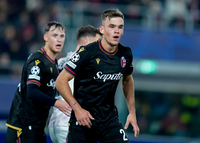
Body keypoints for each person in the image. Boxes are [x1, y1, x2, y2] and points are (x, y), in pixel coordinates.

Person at [56, 9, 140, 143]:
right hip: (83, 121)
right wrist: (77, 110)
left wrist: (132, 112)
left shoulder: (126, 54)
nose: (116, 31)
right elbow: (60, 81)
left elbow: (127, 80)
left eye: (120, 27)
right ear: (102, 29)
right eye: (111, 26)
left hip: (109, 122)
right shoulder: (87, 52)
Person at [5, 21, 71, 143]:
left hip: (38, 126)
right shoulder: (37, 61)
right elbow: (32, 91)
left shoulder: (54, 64)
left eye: (62, 36)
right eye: (54, 35)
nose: (59, 40)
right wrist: (56, 103)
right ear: (45, 37)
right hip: (22, 126)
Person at [48, 25, 102, 143]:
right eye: (96, 43)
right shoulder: (84, 63)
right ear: (86, 42)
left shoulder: (62, 61)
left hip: (55, 124)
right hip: (70, 124)